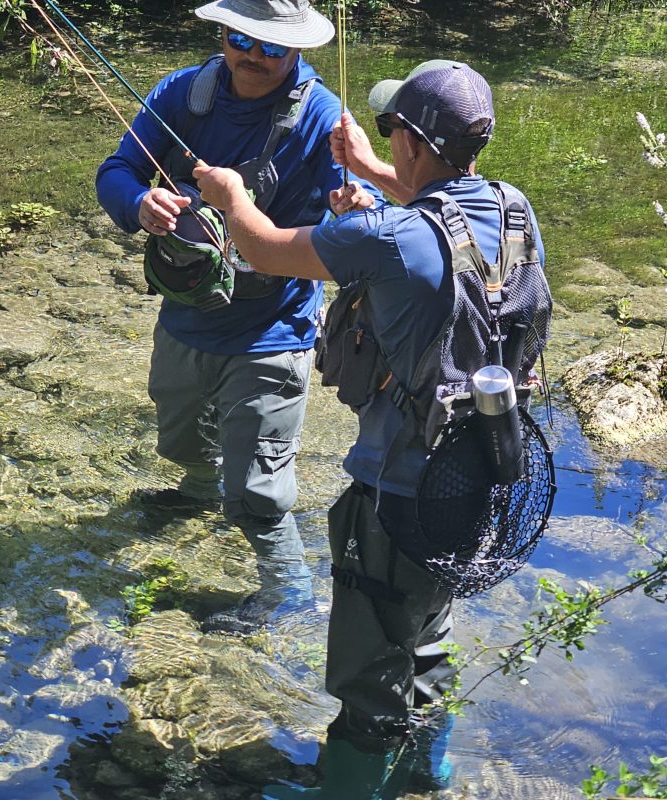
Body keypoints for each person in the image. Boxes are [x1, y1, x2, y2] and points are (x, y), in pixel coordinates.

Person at [194, 58, 547, 795]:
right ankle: (428, 774)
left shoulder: (390, 237)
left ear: (415, 141)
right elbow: (435, 214)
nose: (389, 142)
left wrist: (229, 195)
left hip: (395, 497)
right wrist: (374, 170)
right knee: (427, 637)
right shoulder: (515, 211)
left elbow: (262, 249)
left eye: (394, 131)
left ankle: (349, 787)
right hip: (476, 478)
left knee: (366, 676)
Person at [96, 0, 379, 634]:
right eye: (239, 40)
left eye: (271, 48)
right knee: (180, 439)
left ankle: (289, 593)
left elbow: (371, 214)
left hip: (270, 329)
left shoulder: (324, 118)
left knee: (257, 489)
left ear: (298, 51)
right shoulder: (183, 93)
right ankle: (197, 496)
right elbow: (116, 170)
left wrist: (356, 203)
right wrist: (138, 202)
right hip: (186, 315)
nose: (252, 56)